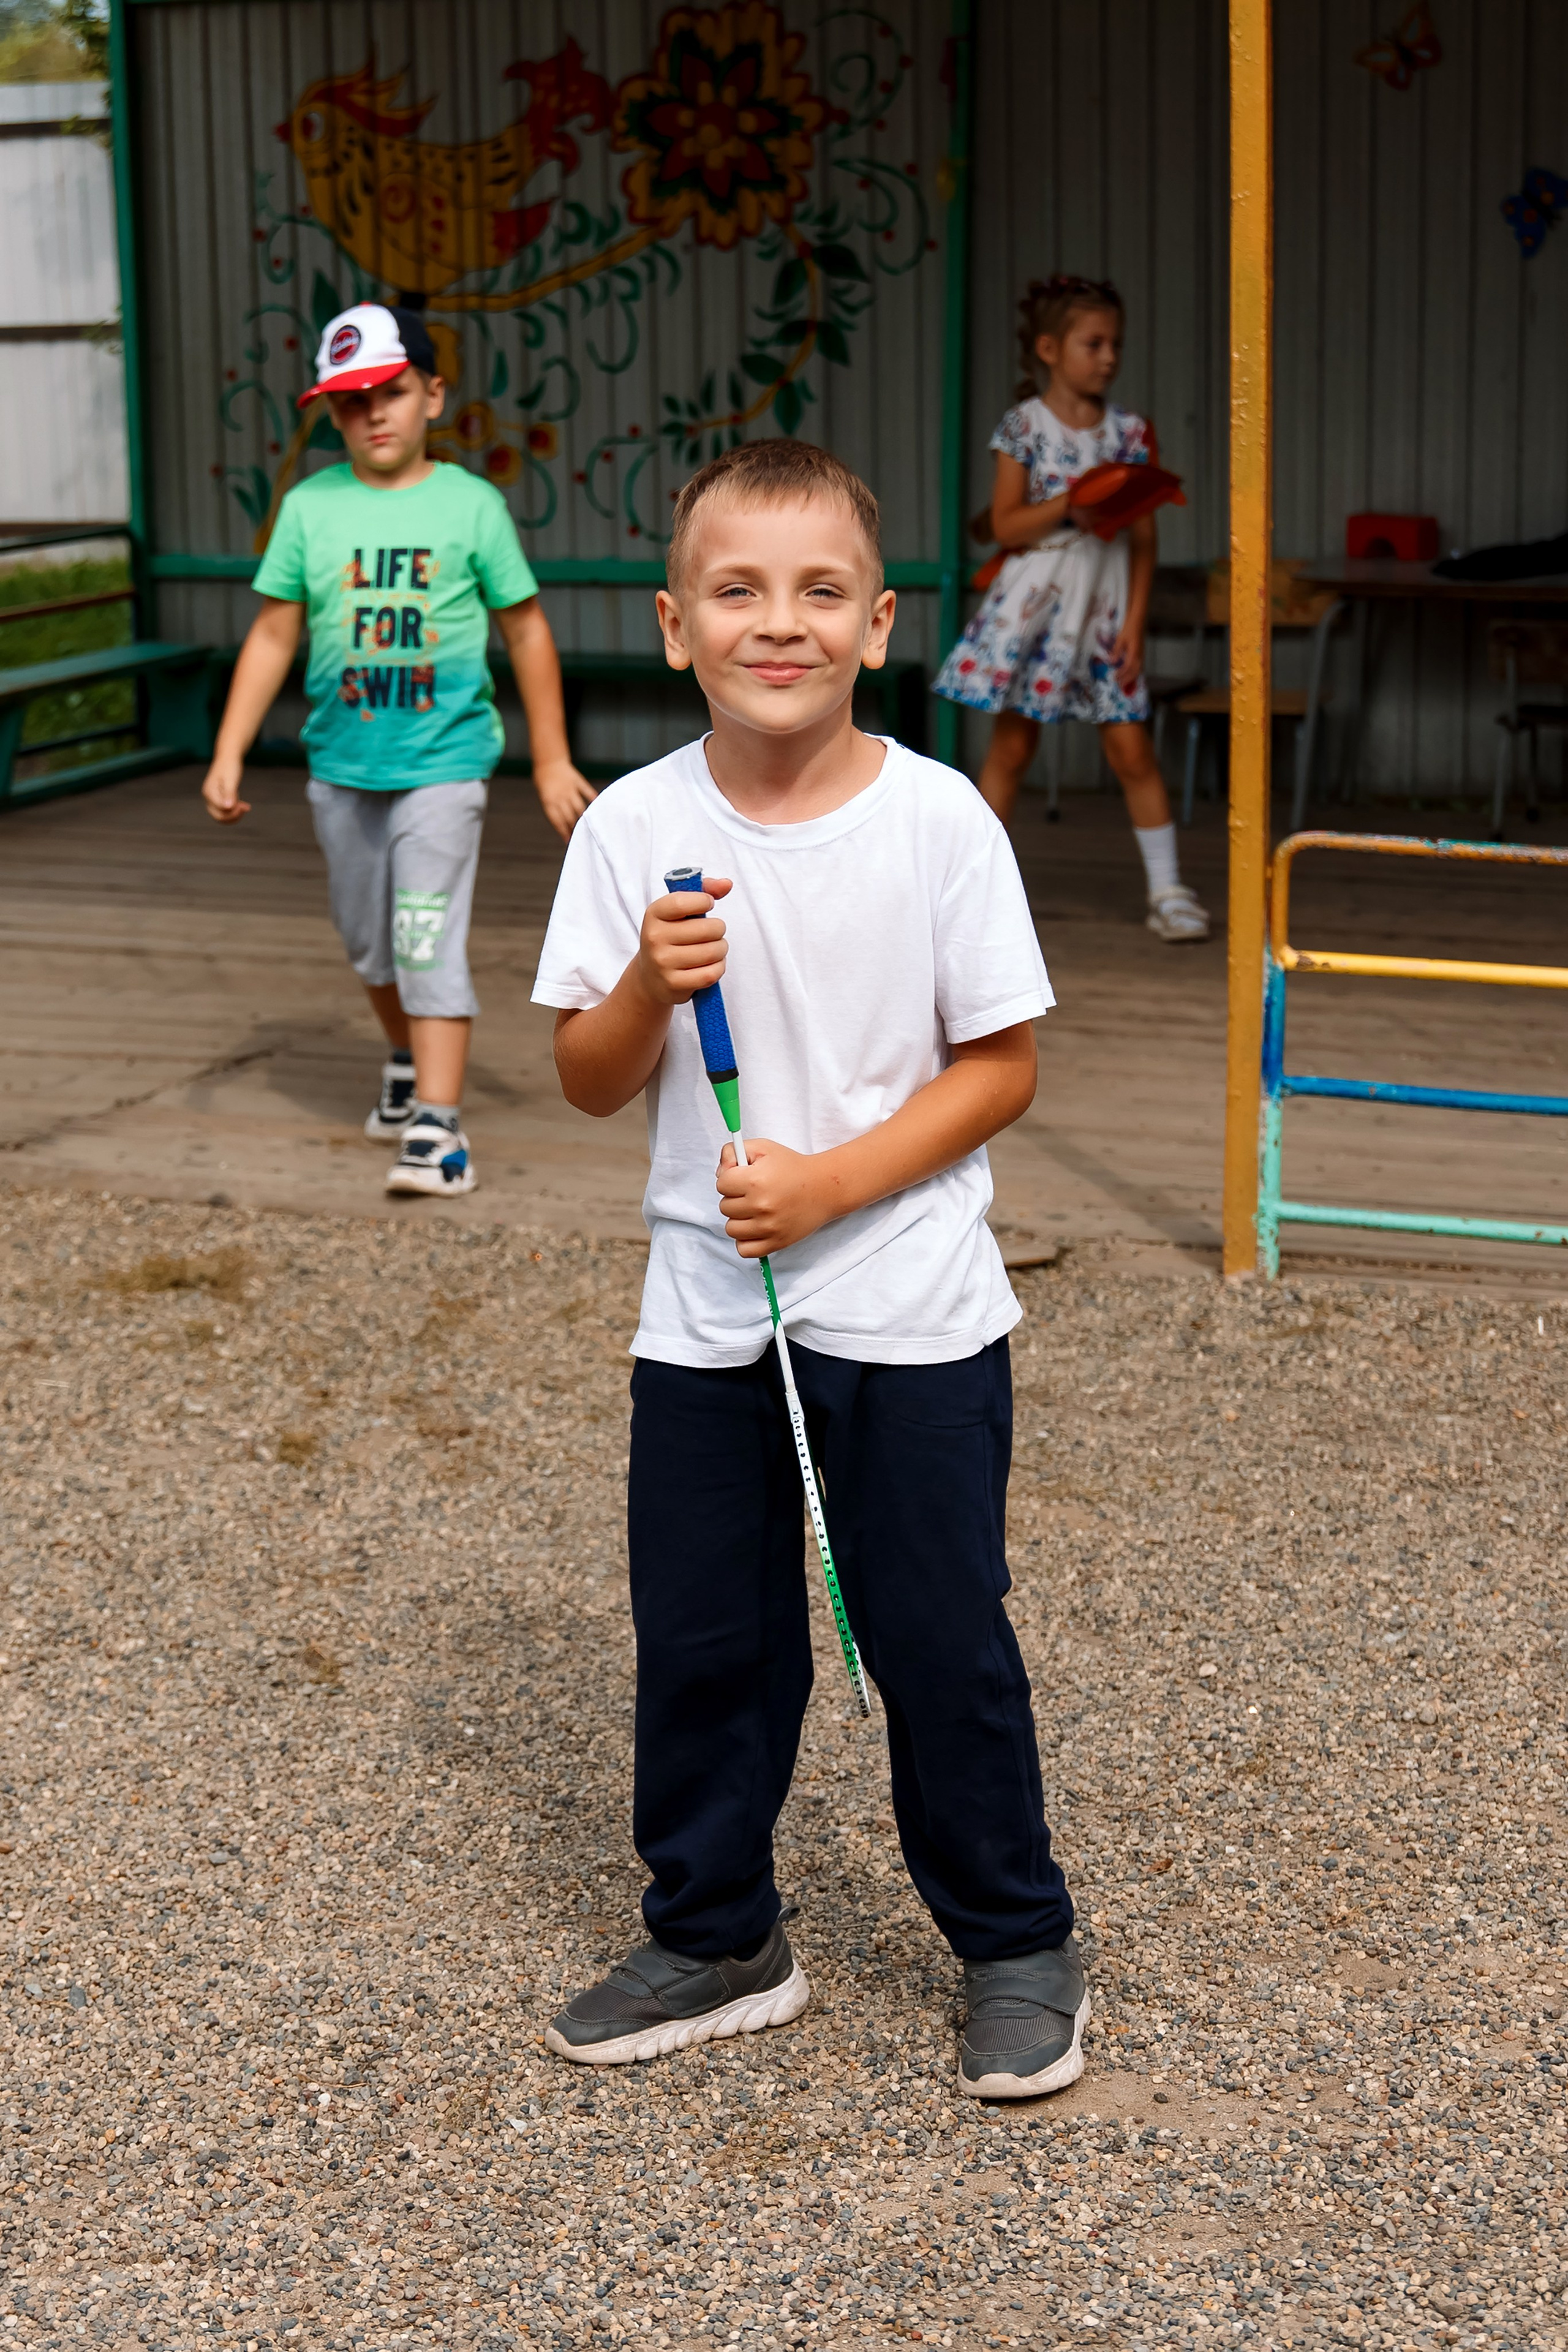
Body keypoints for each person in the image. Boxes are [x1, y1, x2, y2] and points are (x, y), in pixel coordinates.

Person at [530, 438, 1087, 2100]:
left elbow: (1001, 1069)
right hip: (705, 1321)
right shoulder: (634, 828)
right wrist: (646, 980)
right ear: (678, 625)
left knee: (935, 1637)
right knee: (708, 1637)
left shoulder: (940, 823)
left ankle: (1016, 1941)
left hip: (912, 1312)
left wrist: (832, 1184)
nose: (781, 622)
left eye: (820, 591)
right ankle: (717, 1935)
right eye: (739, 591)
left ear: (879, 624)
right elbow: (583, 1071)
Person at [200, 302, 595, 1196]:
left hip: (444, 766)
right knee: (368, 945)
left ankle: (439, 1130)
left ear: (433, 395)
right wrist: (228, 749)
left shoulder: (472, 506)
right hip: (340, 771)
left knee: (423, 939)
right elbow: (272, 634)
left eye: (392, 391)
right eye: (349, 402)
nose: (373, 413)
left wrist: (550, 756)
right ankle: (406, 1059)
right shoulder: (309, 508)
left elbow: (527, 632)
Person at [934, 274, 1210, 943]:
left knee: (1131, 750)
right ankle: (967, 897)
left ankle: (1168, 891)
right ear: (1051, 349)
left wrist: (1136, 625)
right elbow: (1005, 525)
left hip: (1105, 615)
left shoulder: (1131, 434)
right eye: (1095, 343)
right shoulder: (1023, 427)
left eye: (1116, 343)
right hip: (1035, 610)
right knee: (1012, 747)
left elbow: (1144, 539)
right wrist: (1074, 503)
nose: (1110, 355)